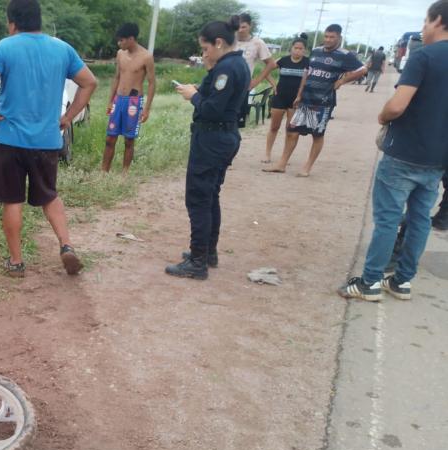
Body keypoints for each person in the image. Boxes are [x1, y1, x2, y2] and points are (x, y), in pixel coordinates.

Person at [0, 0, 97, 278]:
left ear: (12, 23)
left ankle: (16, 263)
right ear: (38, 20)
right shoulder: (62, 49)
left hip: (10, 140)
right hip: (47, 140)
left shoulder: (6, 47)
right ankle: (66, 246)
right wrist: (68, 116)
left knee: (12, 201)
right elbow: (90, 82)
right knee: (49, 196)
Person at [338, 0, 448, 302]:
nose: (424, 28)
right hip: (438, 159)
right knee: (420, 218)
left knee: (388, 218)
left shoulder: (423, 56)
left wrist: (383, 115)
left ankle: (370, 282)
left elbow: (398, 105)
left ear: (438, 20)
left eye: (426, 21)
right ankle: (401, 281)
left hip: (404, 153)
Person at [166, 15, 250, 280]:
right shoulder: (235, 64)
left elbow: (212, 108)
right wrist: (202, 84)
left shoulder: (227, 69)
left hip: (212, 140)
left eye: (205, 49)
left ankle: (198, 261)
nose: (204, 54)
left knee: (199, 199)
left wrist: (194, 96)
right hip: (222, 138)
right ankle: (207, 252)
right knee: (210, 196)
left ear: (219, 43)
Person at [265, 24, 367, 177]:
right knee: (292, 131)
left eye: (332, 37)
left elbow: (362, 70)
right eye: (326, 36)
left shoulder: (344, 55)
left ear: (339, 38)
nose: (328, 39)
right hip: (305, 98)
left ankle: (307, 167)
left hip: (323, 101)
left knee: (317, 134)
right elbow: (307, 72)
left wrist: (341, 81)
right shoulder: (316, 51)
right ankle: (282, 164)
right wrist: (299, 94)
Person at [101, 22, 155, 173]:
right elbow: (117, 77)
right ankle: (104, 172)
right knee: (110, 138)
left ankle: (125, 173)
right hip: (118, 100)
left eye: (121, 40)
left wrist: (147, 109)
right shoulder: (120, 54)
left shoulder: (146, 57)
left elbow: (152, 83)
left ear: (131, 38)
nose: (119, 43)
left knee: (129, 140)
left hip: (134, 102)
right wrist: (110, 101)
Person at [263, 34, 309, 164]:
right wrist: (273, 84)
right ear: (291, 48)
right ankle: (267, 153)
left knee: (290, 130)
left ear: (304, 50)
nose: (298, 50)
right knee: (274, 127)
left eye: (301, 48)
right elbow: (266, 70)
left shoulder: (307, 63)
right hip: (280, 98)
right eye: (296, 48)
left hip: (295, 100)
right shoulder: (283, 60)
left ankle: (285, 156)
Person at [235, 13, 277, 91]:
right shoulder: (229, 40)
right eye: (238, 27)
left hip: (243, 88)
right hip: (225, 86)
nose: (240, 30)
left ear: (250, 26)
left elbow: (271, 63)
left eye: (243, 27)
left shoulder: (257, 43)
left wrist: (256, 82)